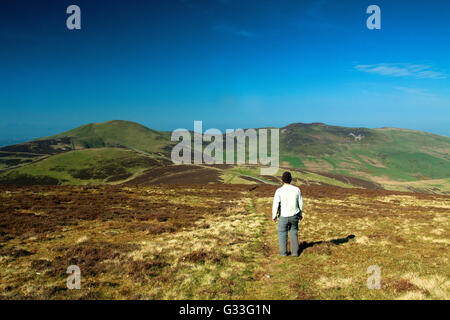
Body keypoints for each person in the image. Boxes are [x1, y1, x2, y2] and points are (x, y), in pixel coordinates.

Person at [272, 171, 303, 257]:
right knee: (294, 233)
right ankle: (295, 253)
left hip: (283, 216)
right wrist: (300, 214)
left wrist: (274, 215)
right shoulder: (297, 190)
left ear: (282, 180)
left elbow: (276, 204)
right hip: (294, 216)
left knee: (282, 233)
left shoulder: (279, 191)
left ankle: (283, 253)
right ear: (291, 179)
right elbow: (300, 203)